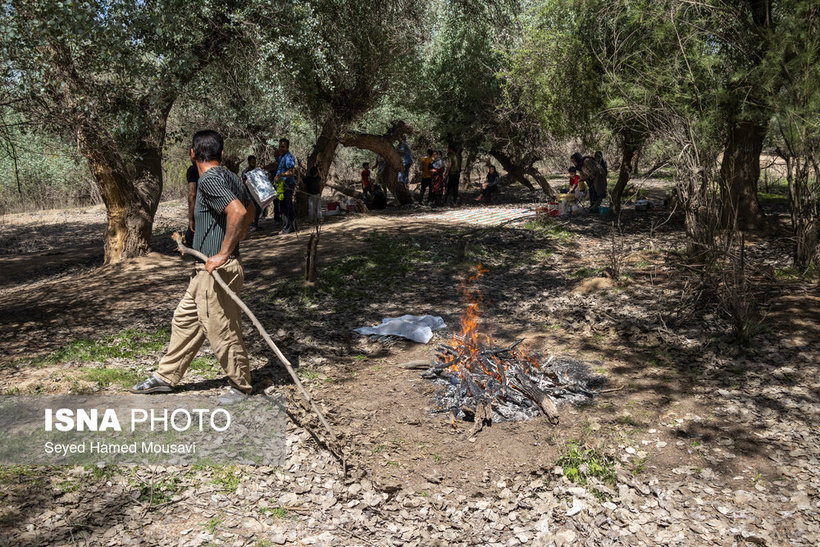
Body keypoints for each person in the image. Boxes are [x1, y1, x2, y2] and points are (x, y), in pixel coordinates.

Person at [131, 130, 256, 405]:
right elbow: (252, 208)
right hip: (206, 270)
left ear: (192, 154)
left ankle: (241, 385)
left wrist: (223, 253)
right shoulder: (230, 176)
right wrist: (238, 238)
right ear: (222, 154)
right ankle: (166, 377)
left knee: (221, 329)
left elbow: (239, 212)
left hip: (216, 270)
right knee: (185, 320)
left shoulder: (210, 179)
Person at [276, 138, 297, 233]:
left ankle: (286, 228)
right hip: (281, 186)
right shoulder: (281, 157)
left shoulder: (289, 157)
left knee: (284, 206)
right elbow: (276, 164)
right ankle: (293, 227)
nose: (280, 148)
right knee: (287, 205)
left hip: (287, 185)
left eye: (283, 147)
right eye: (280, 146)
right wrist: (265, 167)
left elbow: (291, 172)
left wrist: (281, 175)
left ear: (287, 147)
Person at [242, 155, 264, 230]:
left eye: (254, 162)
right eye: (252, 162)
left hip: (257, 193)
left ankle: (255, 224)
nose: (253, 163)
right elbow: (245, 182)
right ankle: (252, 225)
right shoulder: (246, 172)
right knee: (253, 209)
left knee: (258, 208)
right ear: (249, 162)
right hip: (249, 193)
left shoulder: (256, 170)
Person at [185, 160, 199, 245]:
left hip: (199, 211)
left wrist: (191, 218)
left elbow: (192, 194)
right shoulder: (218, 169)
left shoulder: (193, 170)